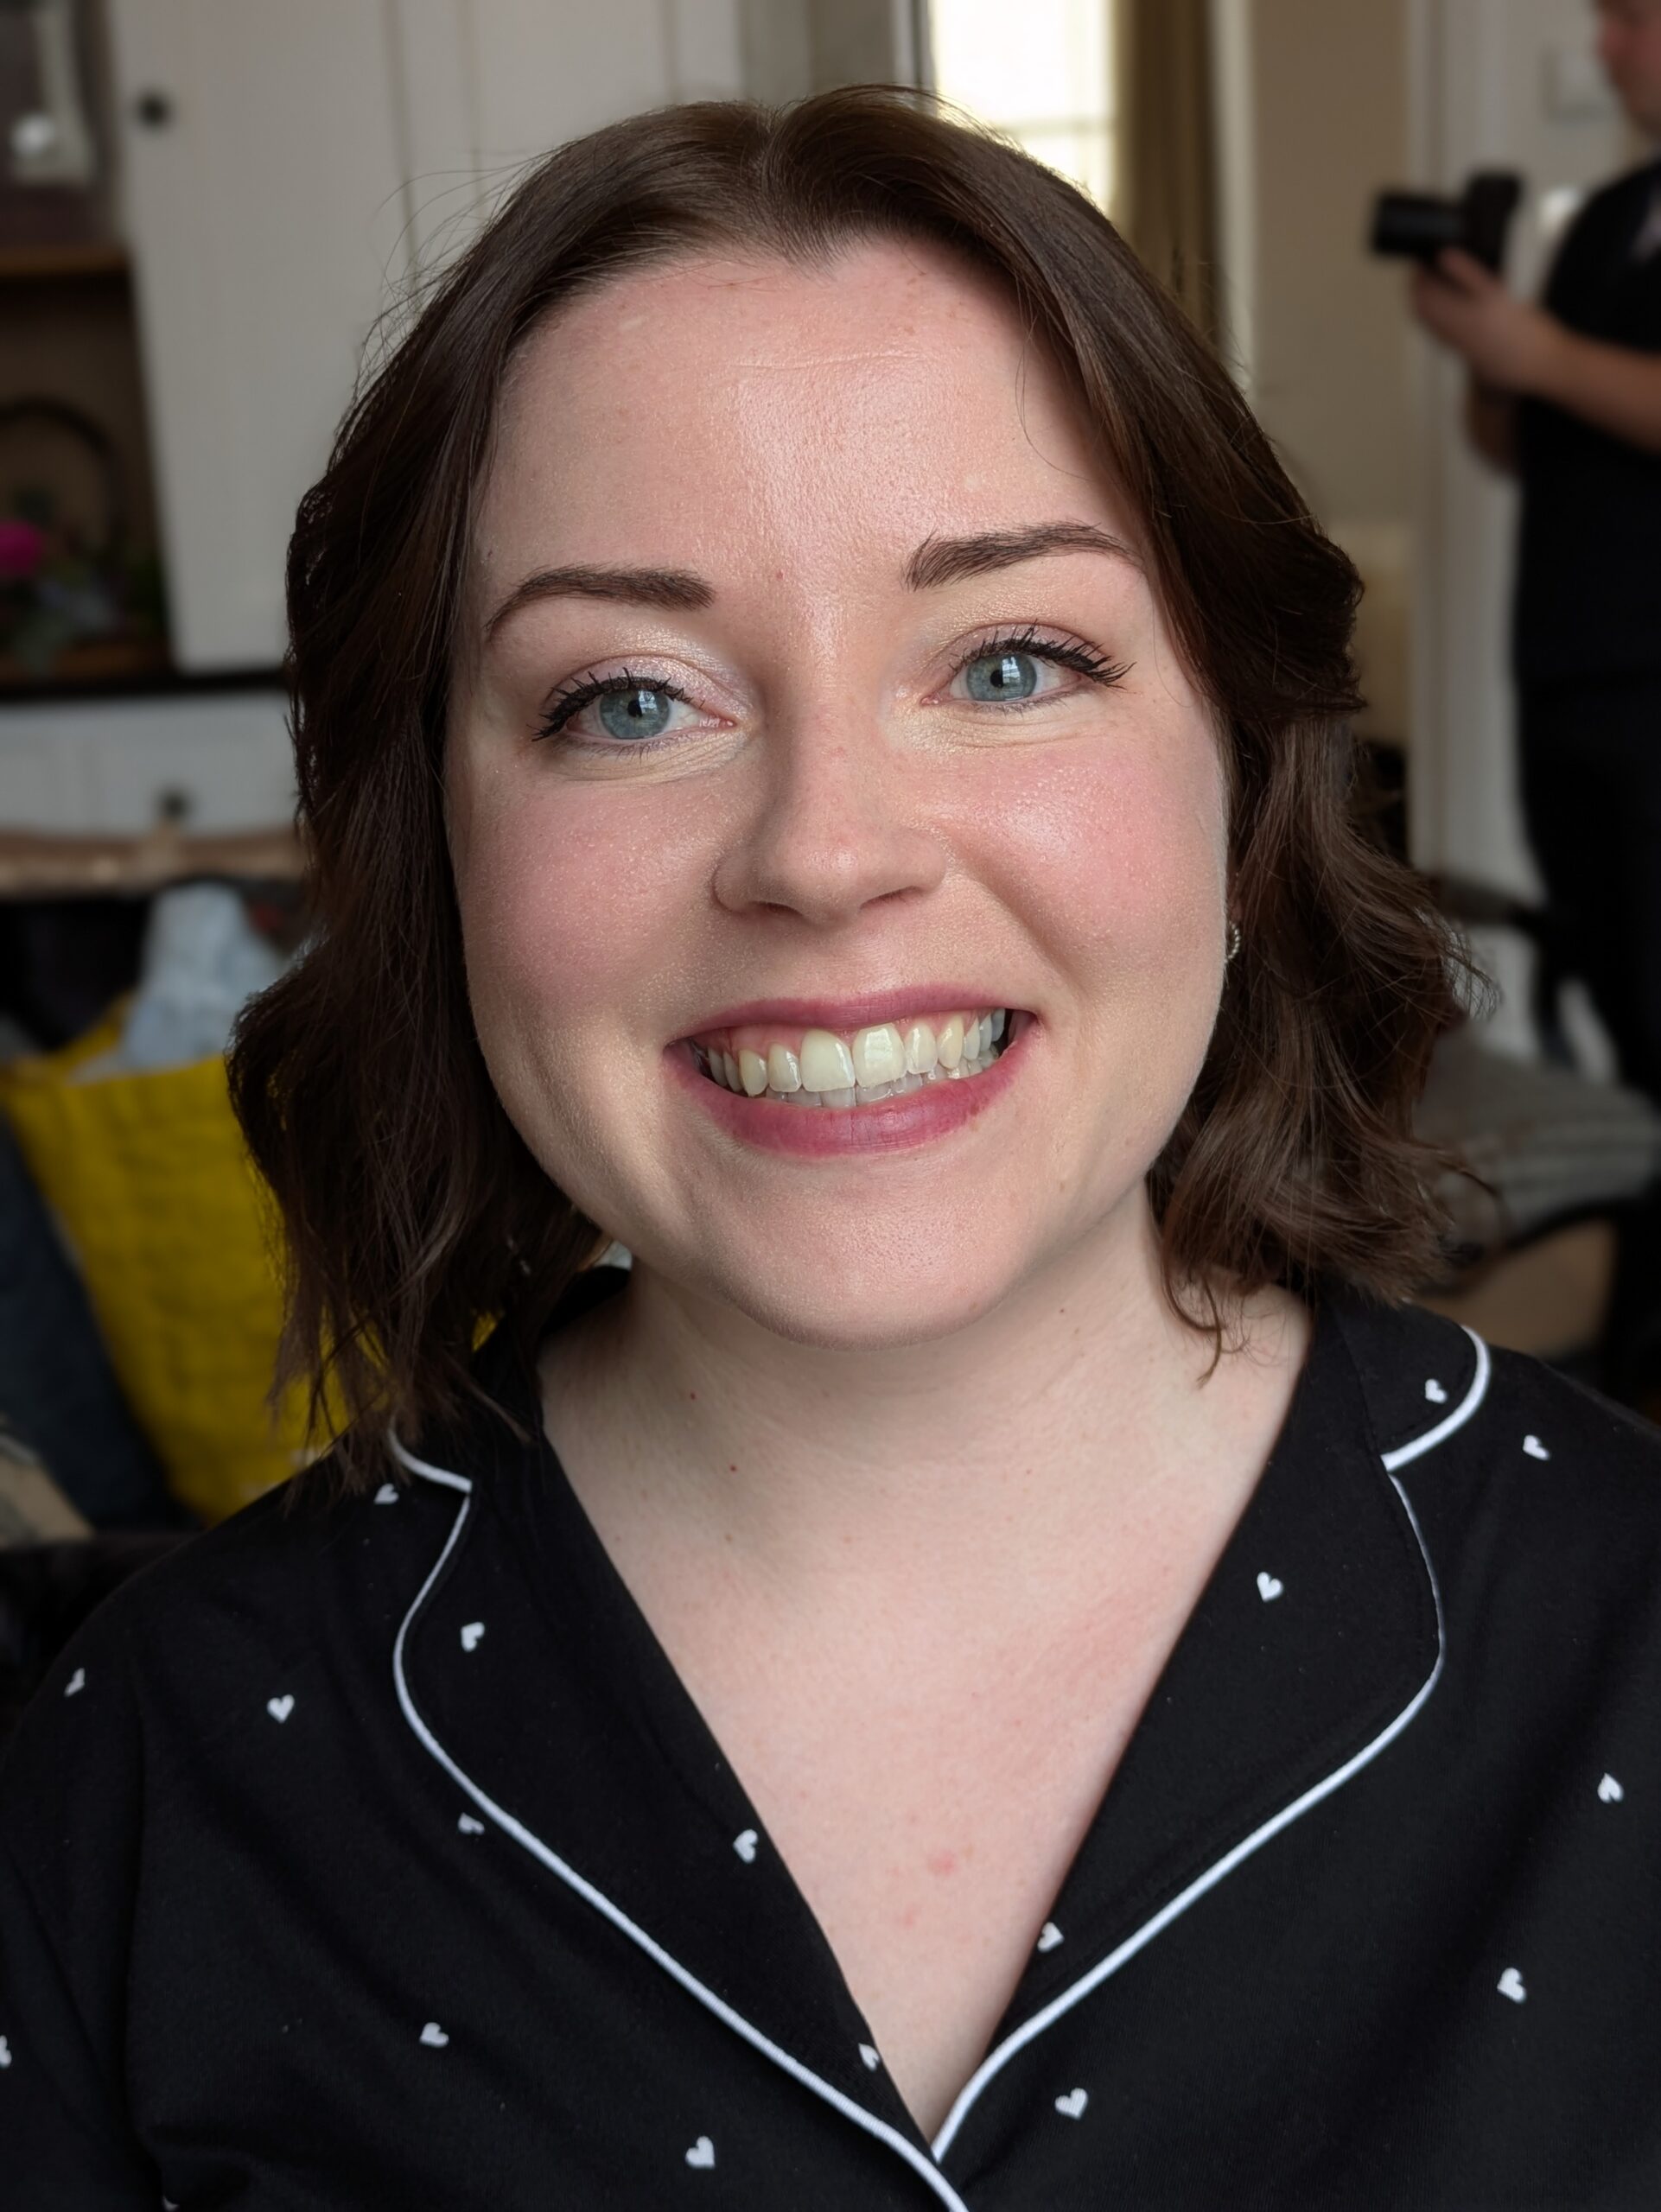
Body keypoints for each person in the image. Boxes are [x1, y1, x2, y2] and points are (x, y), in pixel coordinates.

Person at [2, 86, 1659, 2210]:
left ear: (1241, 794)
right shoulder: (149, 1772)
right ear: (436, 854)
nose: (825, 853)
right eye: (625, 698)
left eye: (1008, 657)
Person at [1411, 0, 1661, 1098]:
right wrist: (1487, 357)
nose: (1601, 48)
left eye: (1630, 21)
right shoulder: (1606, 219)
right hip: (1564, 663)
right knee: (1612, 976)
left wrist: (1541, 351)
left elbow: (1561, 371)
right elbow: (1508, 444)